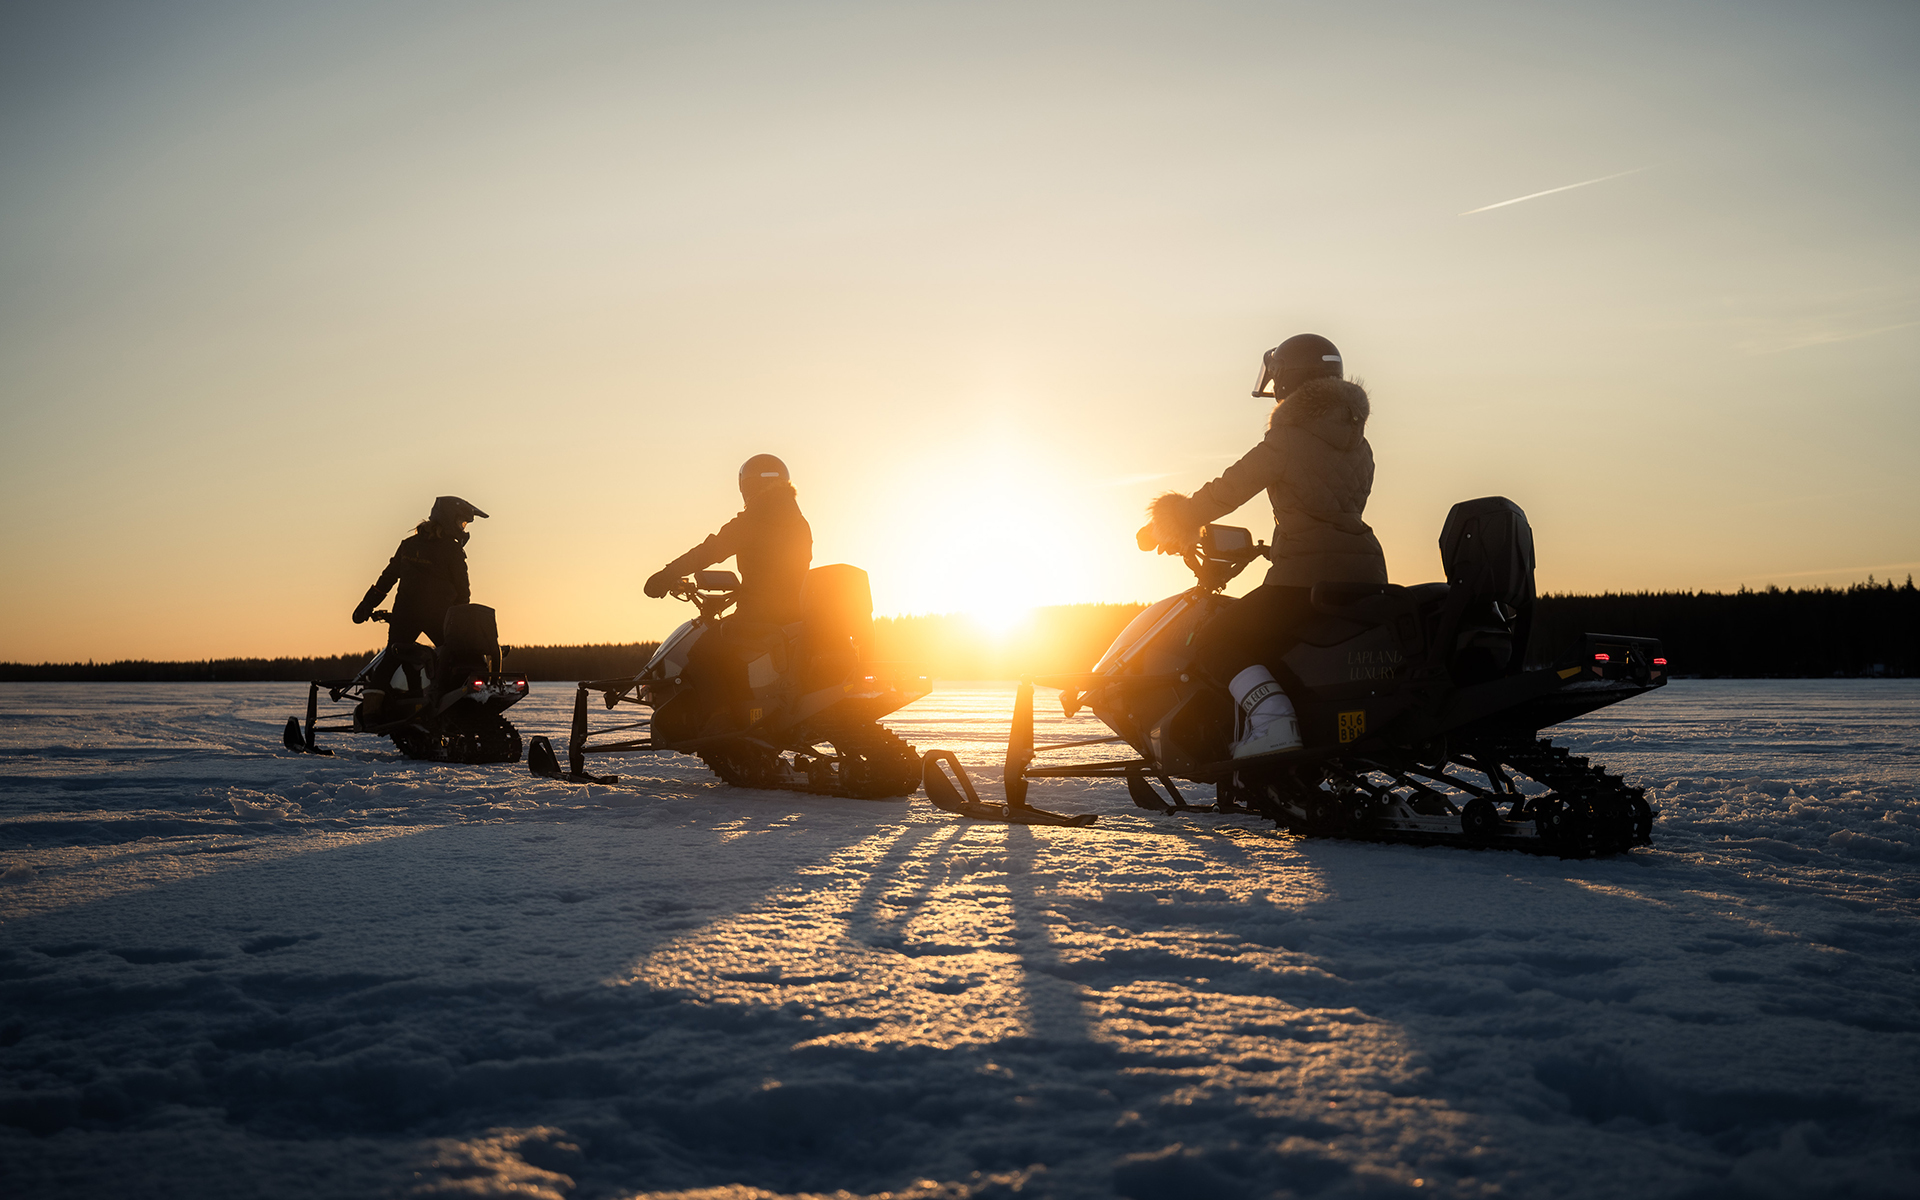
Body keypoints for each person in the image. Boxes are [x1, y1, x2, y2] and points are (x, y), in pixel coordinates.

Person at [1141, 334, 1388, 757]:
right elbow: (1327, 512)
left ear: (1289, 381)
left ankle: (1274, 722)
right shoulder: (1358, 441)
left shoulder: (1287, 440)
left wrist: (1174, 520)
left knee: (1213, 642)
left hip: (1304, 579)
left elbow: (1226, 491)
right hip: (1366, 576)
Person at [644, 455, 813, 728]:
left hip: (759, 618)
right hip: (797, 615)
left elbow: (708, 551)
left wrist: (668, 575)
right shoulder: (799, 522)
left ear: (747, 487)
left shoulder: (752, 520)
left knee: (702, 653)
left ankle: (720, 719)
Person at [352, 496, 487, 647]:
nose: (463, 529)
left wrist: (368, 603)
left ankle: (387, 668)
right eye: (461, 523)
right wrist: (459, 621)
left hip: (405, 615)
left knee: (393, 657)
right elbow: (463, 592)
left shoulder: (408, 545)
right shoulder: (452, 550)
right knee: (455, 660)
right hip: (440, 618)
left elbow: (388, 578)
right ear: (449, 519)